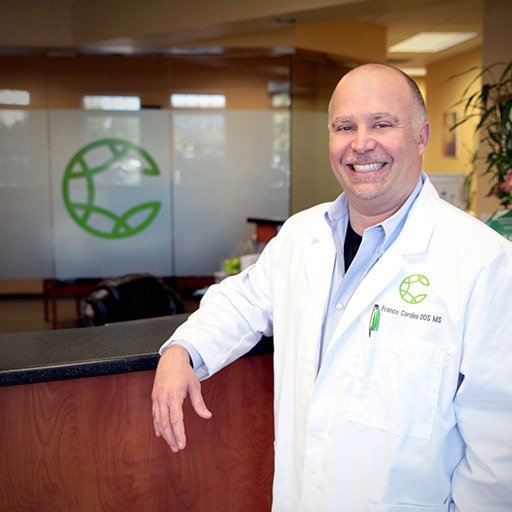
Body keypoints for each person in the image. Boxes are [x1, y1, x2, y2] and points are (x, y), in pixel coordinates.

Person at [152, 63, 512, 511]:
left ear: (421, 138)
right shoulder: (302, 236)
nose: (361, 143)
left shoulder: (483, 261)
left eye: (382, 123)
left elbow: (499, 447)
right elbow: (240, 301)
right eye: (345, 126)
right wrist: (180, 351)